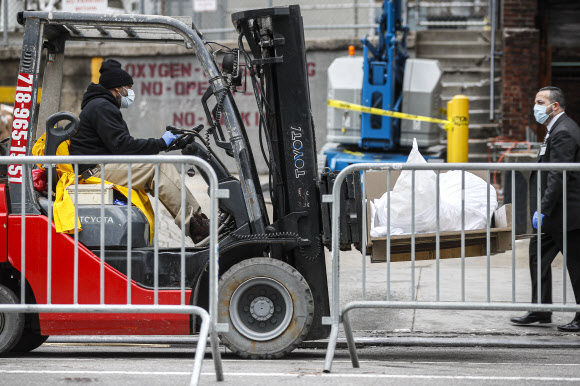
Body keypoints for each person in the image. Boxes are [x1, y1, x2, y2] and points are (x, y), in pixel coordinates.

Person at [69, 59, 209, 243]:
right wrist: (160, 143)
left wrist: (164, 144)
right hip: (94, 170)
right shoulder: (101, 107)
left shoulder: (101, 105)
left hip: (101, 166)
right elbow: (123, 146)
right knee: (158, 169)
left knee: (157, 167)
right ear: (117, 88)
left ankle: (199, 220)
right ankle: (198, 228)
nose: (130, 92)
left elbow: (122, 146)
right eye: (128, 87)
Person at [510, 86, 580, 331]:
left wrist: (544, 209)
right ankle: (540, 310)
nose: (535, 107)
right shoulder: (555, 130)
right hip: (554, 215)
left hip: (566, 214)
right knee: (537, 257)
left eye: (540, 102)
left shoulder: (564, 132)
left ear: (555, 106)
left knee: (576, 265)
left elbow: (557, 176)